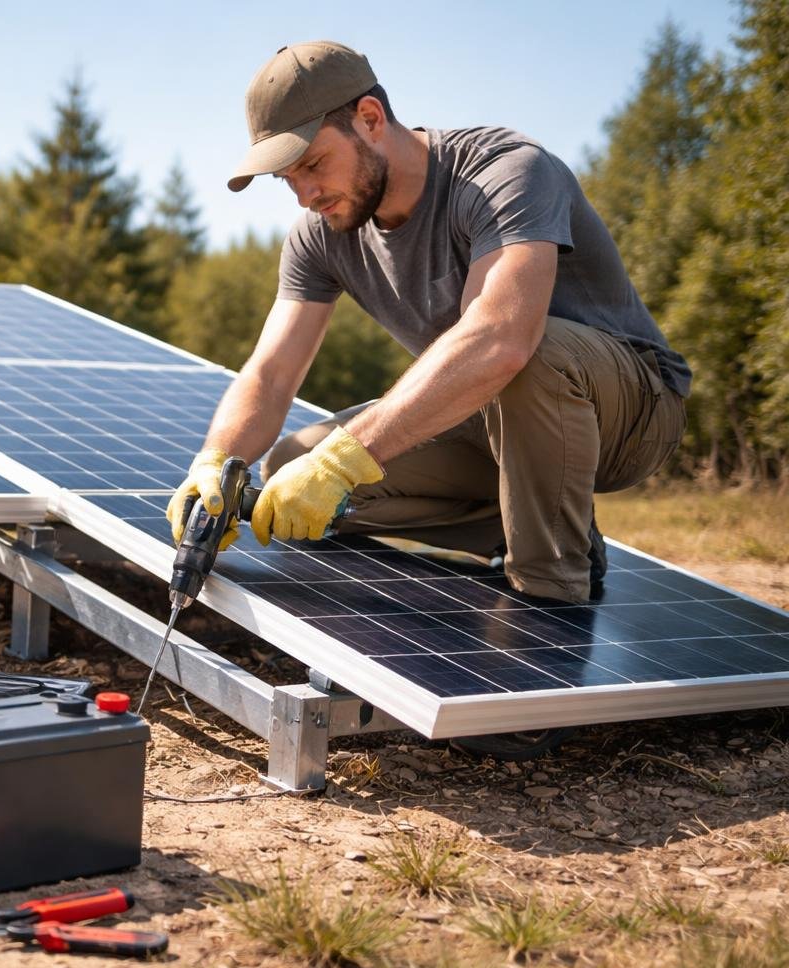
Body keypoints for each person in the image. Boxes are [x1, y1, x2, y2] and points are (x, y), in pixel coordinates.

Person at [168, 40, 690, 604]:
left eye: (313, 165)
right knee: (293, 466)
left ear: (369, 119)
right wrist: (216, 460)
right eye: (287, 179)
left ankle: (550, 593)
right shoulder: (321, 235)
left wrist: (345, 461)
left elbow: (501, 339)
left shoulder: (504, 174)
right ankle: (525, 525)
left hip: (628, 413)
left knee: (528, 354)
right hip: (489, 419)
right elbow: (269, 377)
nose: (305, 196)